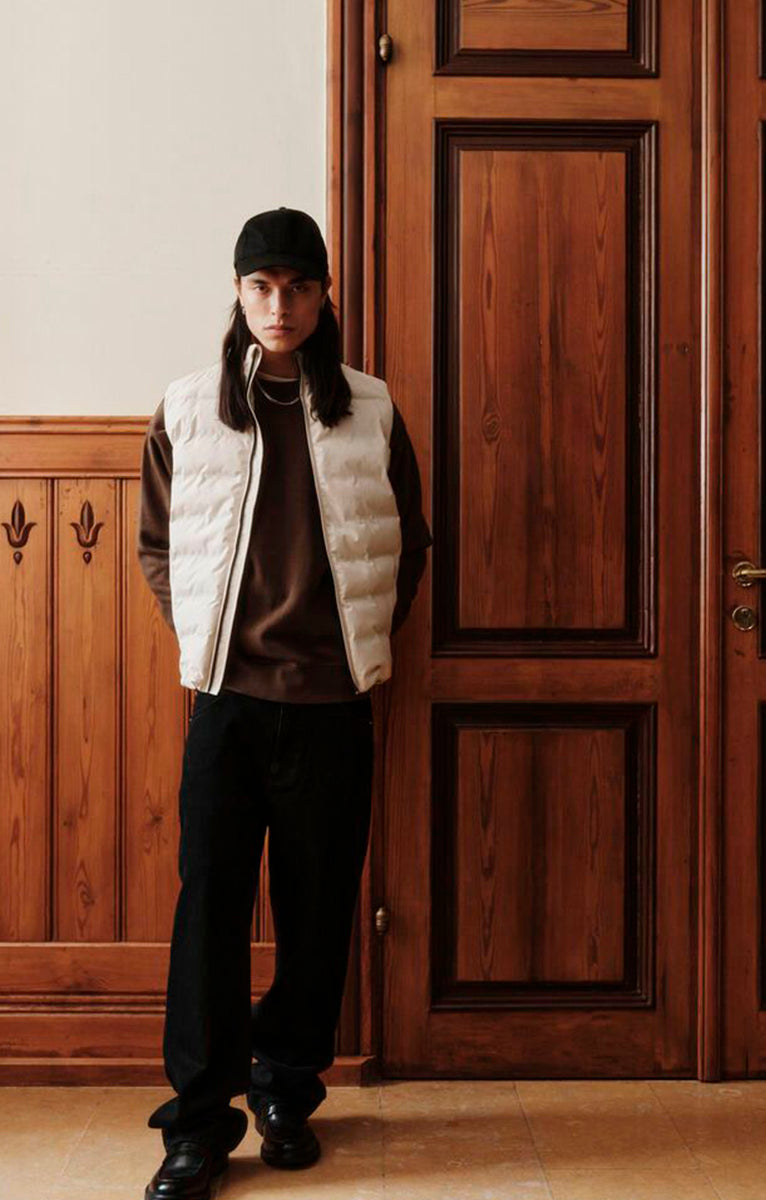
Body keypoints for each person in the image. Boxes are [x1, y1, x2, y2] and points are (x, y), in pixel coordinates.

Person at [137, 207, 432, 1200]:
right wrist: (204, 638)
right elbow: (156, 544)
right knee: (208, 913)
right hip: (226, 704)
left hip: (332, 707)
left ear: (322, 296)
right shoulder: (188, 408)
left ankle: (286, 1089)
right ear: (237, 292)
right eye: (261, 287)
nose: (280, 305)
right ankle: (198, 1124)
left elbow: (410, 541)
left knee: (317, 912)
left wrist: (357, 643)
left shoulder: (370, 408)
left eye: (298, 287)